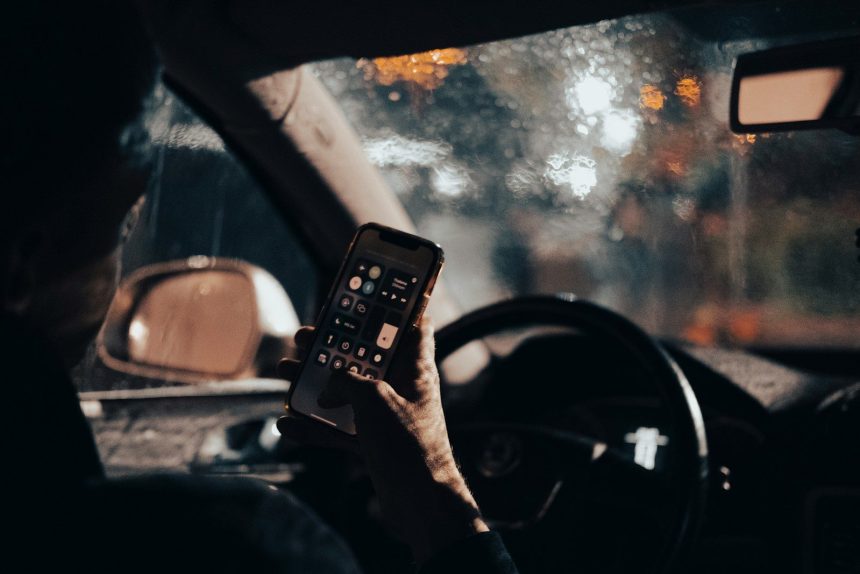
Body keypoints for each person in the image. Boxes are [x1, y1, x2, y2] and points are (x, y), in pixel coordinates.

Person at [2, 1, 518, 572]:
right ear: (23, 265)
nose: (121, 260)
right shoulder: (242, 547)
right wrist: (438, 500)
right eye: (122, 224)